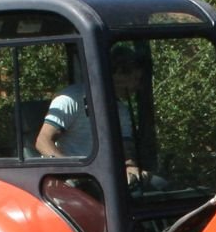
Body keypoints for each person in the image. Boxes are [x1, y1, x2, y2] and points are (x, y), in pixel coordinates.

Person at [34, 47, 142, 180]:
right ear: (118, 74)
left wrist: (130, 167)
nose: (138, 86)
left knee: (160, 186)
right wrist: (72, 171)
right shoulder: (70, 99)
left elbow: (125, 150)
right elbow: (43, 141)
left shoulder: (121, 110)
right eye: (135, 79)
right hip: (69, 181)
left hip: (103, 178)